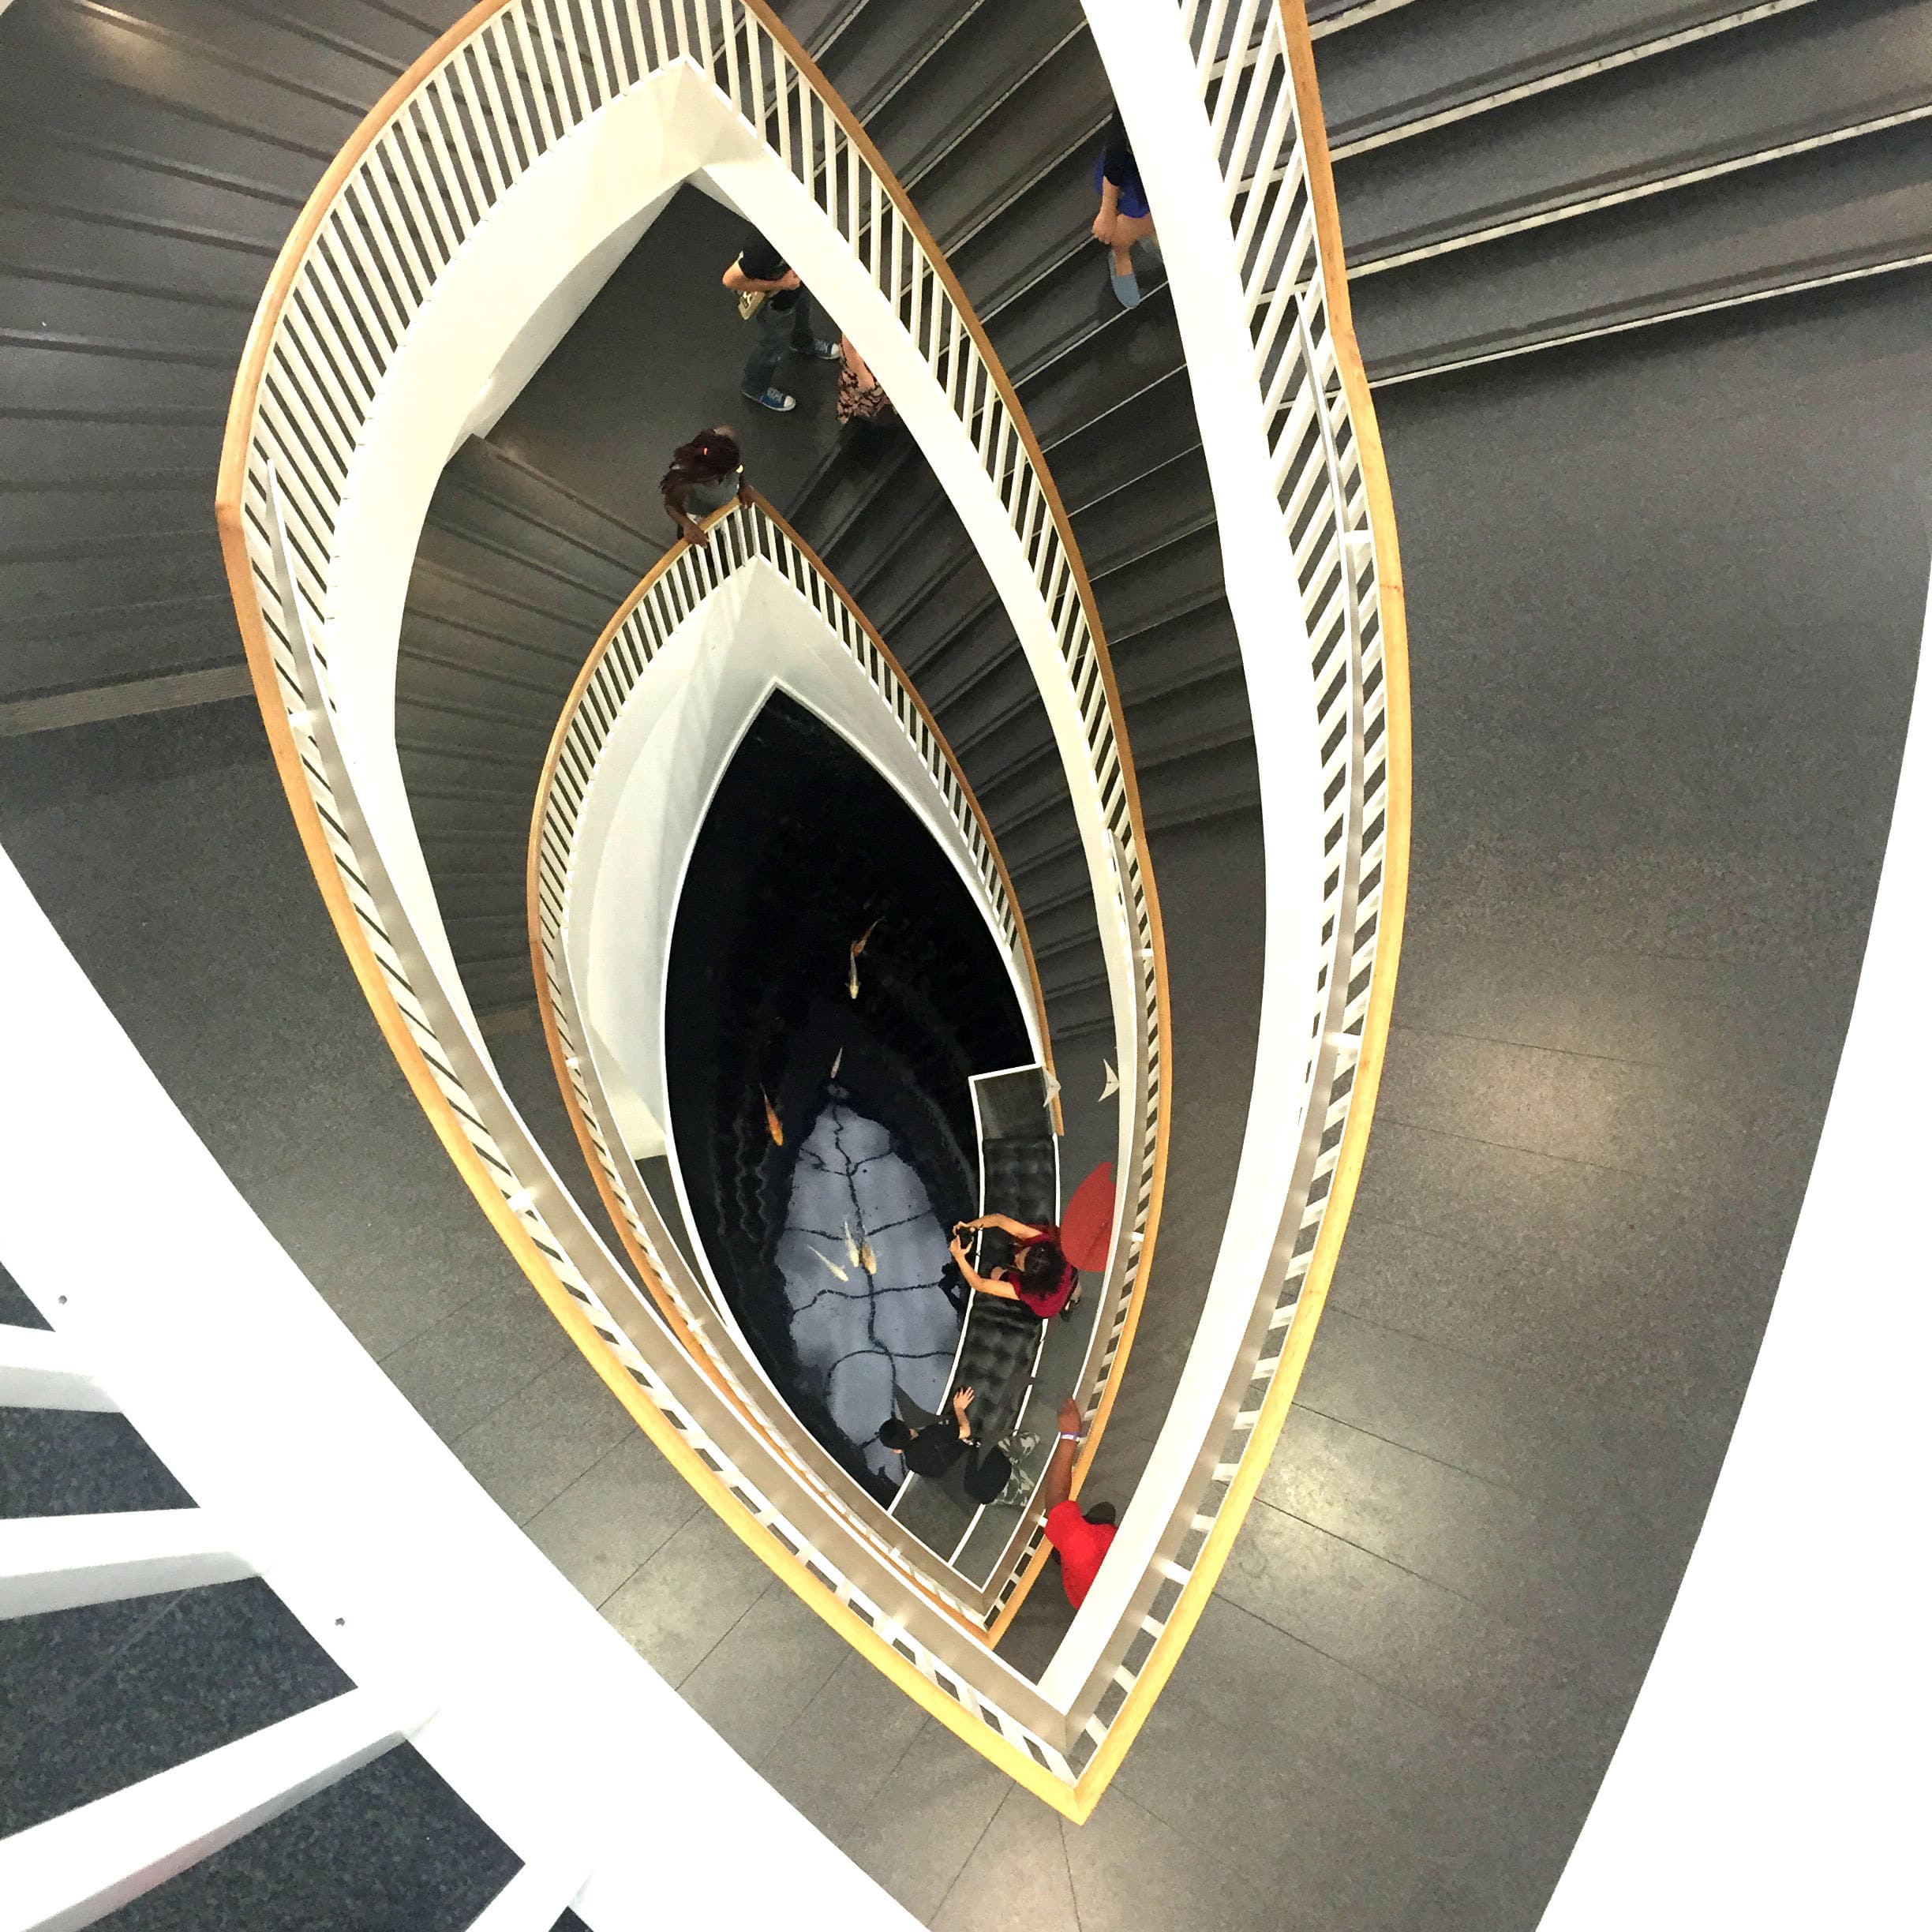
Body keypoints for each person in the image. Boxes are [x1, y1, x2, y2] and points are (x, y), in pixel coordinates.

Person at [722, 230, 841, 413]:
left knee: (802, 313)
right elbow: (730, 280)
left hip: (795, 289)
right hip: (775, 304)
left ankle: (803, 344)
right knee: (773, 346)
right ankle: (754, 387)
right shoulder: (762, 247)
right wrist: (781, 284)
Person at [879, 1385, 1034, 1506]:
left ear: (897, 1450)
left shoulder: (912, 1464)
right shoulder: (931, 1434)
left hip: (984, 1491)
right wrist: (959, 1408)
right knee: (1032, 1441)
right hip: (995, 1464)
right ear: (908, 1426)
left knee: (1029, 1497)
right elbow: (965, 1431)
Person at [1039, 1395, 1116, 1608]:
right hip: (1083, 1564)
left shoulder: (1084, 1552)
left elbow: (1055, 1505)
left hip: (1079, 1562)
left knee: (1069, 1537)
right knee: (1103, 1513)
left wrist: (1069, 1436)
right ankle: (1062, 1548)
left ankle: (1062, 1550)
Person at [949, 1211, 1079, 1320]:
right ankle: (1071, 1295)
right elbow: (1000, 1220)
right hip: (1068, 1279)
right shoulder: (1046, 1245)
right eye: (1022, 1253)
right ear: (1040, 1248)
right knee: (1068, 1284)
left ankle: (1065, 1304)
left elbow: (980, 1284)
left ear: (1028, 1276)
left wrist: (959, 1257)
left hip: (1049, 1307)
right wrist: (970, 1227)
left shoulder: (1029, 1292)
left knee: (996, 1273)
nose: (1016, 1256)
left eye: (1019, 1262)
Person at [1091, 112, 1157, 311]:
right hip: (1133, 174)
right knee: (1133, 225)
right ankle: (1120, 255)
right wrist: (1107, 209)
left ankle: (1149, 236)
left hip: (1152, 171)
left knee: (1153, 219)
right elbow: (1116, 145)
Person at [660, 425, 750, 545]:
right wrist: (688, 525)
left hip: (721, 508)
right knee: (699, 541)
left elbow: (738, 467)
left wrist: (744, 487)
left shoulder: (726, 443)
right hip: (698, 516)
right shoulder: (684, 480)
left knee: (718, 531)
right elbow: (671, 505)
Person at [835, 332, 893, 426]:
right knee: (859, 403)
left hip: (883, 361)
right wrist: (862, 374)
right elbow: (848, 339)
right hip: (863, 370)